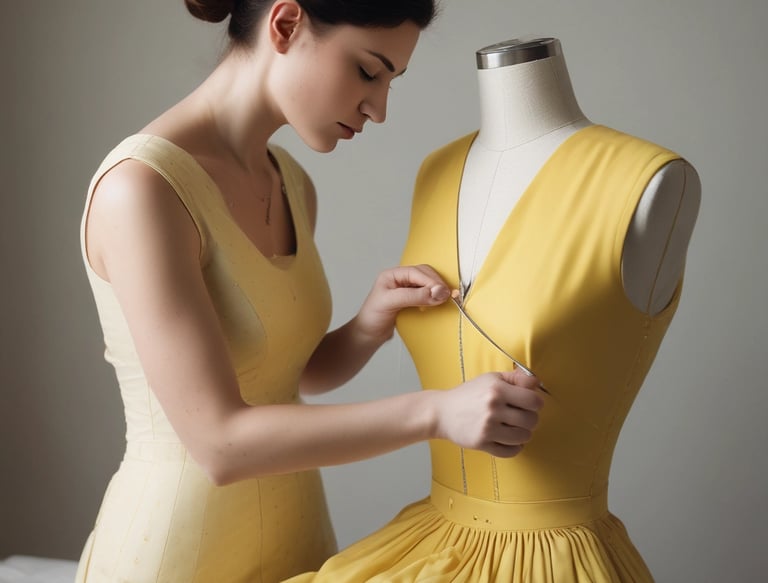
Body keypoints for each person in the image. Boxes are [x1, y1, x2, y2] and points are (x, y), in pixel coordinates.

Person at [74, 3, 547, 582]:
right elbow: (219, 444)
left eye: (391, 82)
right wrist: (437, 412)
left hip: (299, 541)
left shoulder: (291, 184)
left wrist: (369, 324)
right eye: (368, 72)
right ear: (285, 24)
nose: (379, 109)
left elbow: (285, 378)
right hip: (175, 552)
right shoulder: (141, 190)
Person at [285, 37, 700, 582]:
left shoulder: (649, 179)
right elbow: (297, 380)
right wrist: (370, 324)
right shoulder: (437, 172)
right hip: (432, 541)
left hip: (552, 559)